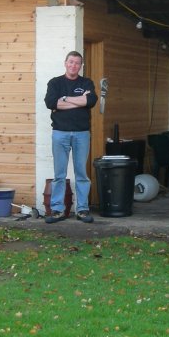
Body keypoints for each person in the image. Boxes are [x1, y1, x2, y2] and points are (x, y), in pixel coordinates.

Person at [44, 51, 98, 223]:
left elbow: (90, 102)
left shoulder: (86, 82)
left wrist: (66, 99)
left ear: (81, 66)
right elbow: (51, 103)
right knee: (59, 174)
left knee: (81, 173)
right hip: (60, 133)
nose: (74, 65)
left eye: (77, 63)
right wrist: (78, 100)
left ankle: (82, 210)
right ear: (65, 63)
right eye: (71, 62)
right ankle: (58, 210)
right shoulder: (55, 83)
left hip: (82, 134)